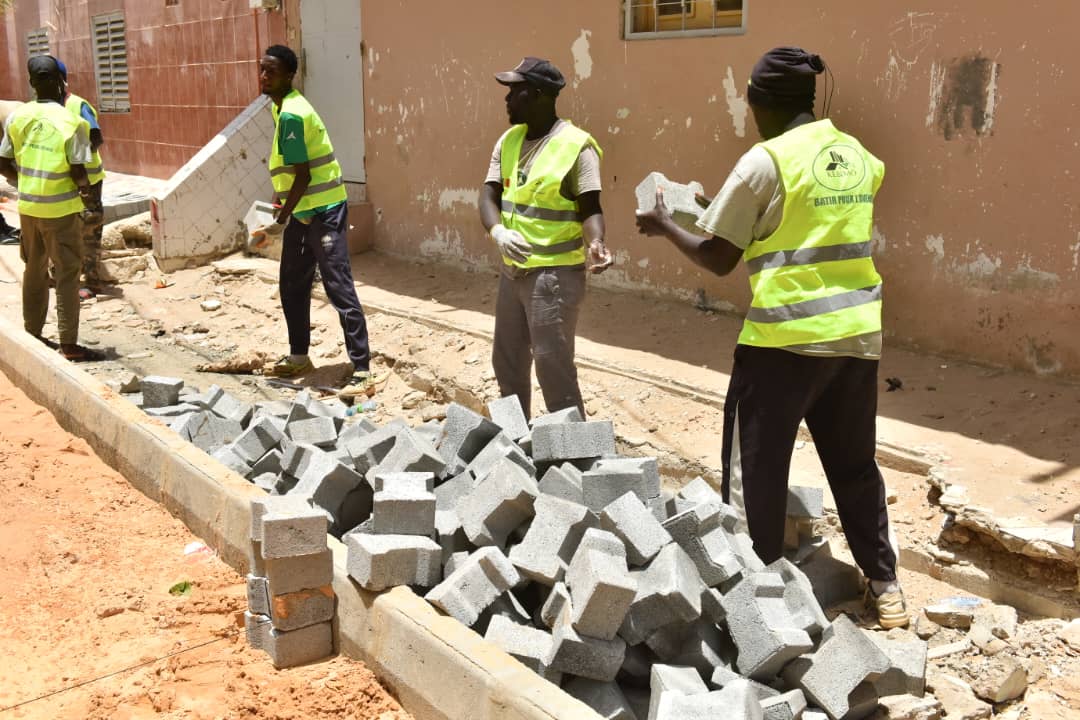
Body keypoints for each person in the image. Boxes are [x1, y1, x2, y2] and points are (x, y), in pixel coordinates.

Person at [635, 47, 907, 629]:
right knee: (855, 467)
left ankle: (756, 604)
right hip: (854, 338)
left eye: (751, 102)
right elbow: (803, 222)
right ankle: (885, 587)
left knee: (755, 474)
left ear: (763, 102)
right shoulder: (857, 155)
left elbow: (718, 258)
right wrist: (716, 209)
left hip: (781, 344)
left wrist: (665, 225)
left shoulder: (763, 162)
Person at [478, 56, 613, 419]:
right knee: (507, 361)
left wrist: (596, 242)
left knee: (553, 369)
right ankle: (513, 440)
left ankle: (574, 449)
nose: (507, 98)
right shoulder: (508, 141)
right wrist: (498, 232)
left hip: (554, 278)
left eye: (515, 91)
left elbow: (591, 207)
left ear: (538, 94)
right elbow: (488, 196)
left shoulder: (577, 147)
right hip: (513, 272)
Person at [254, 45, 377, 400]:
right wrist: (284, 207)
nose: (264, 76)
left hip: (324, 210)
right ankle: (299, 357)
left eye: (272, 71)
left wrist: (280, 218)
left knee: (338, 285)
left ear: (290, 76)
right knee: (292, 282)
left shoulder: (293, 115)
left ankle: (363, 370)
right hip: (304, 210)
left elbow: (304, 175)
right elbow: (290, 172)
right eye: (262, 69)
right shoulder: (280, 109)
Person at [0, 55, 101, 360]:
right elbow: (79, 171)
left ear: (31, 83)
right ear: (61, 82)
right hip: (61, 211)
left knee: (34, 269)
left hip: (29, 209)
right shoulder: (72, 121)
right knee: (67, 273)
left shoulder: (17, 117)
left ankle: (32, 333)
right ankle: (68, 343)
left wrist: (26, 182)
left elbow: (3, 163)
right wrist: (86, 192)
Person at [56, 59, 106, 299]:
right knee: (66, 230)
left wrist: (76, 160)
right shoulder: (46, 108)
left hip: (88, 181)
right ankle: (65, 277)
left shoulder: (77, 105)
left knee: (90, 231)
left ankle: (91, 281)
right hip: (63, 182)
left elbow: (96, 138)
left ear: (61, 81)